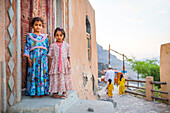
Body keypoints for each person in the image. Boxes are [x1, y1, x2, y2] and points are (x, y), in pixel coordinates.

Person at [23, 17, 49, 98]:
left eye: (40, 25)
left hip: (43, 60)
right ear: (32, 26)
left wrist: (47, 59)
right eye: (36, 25)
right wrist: (28, 58)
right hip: (34, 59)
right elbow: (27, 47)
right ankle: (34, 92)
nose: (38, 27)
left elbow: (47, 48)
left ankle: (42, 91)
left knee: (42, 73)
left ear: (42, 26)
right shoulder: (30, 36)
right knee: (34, 74)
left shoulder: (45, 37)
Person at [48, 27, 72, 99]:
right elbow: (50, 56)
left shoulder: (67, 45)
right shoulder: (53, 46)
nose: (59, 37)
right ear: (55, 36)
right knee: (56, 77)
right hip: (55, 64)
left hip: (64, 65)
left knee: (64, 78)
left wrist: (69, 65)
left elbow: (68, 56)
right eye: (57, 35)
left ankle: (64, 92)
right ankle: (56, 92)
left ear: (63, 36)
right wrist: (50, 66)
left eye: (61, 35)